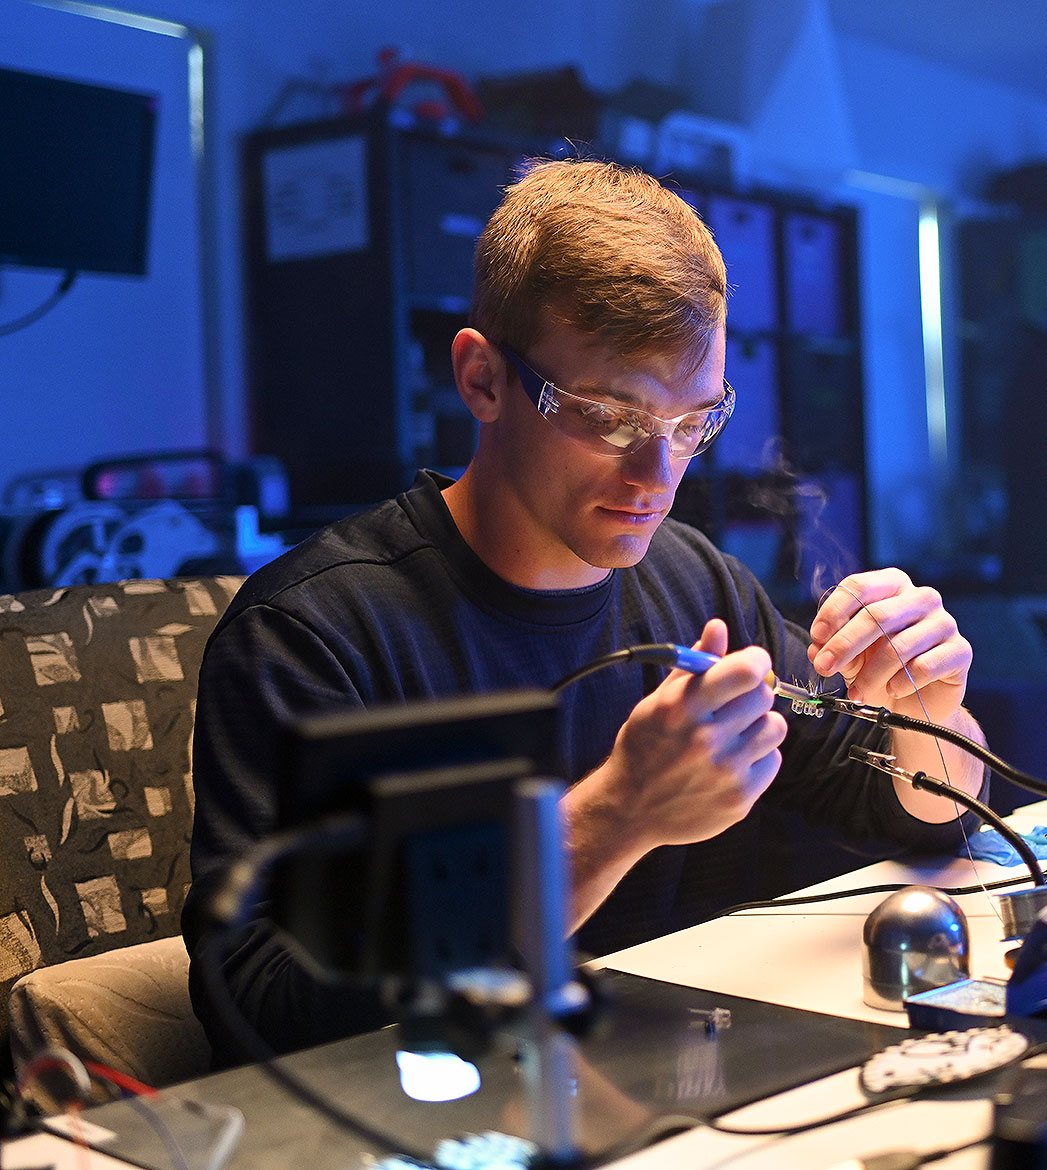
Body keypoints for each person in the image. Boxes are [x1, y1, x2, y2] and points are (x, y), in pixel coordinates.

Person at [182, 158, 988, 1067]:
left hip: (665, 1084)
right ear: (482, 379)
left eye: (695, 423)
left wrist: (927, 718)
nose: (658, 477)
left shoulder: (695, 581)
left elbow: (897, 810)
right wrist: (615, 817)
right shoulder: (316, 635)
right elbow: (262, 1015)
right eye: (609, 417)